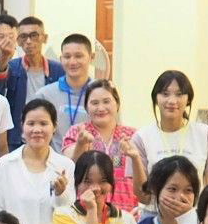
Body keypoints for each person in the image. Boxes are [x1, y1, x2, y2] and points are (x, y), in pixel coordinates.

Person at [0, 99, 74, 224]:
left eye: (43, 124)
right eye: (31, 124)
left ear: (54, 126)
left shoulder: (65, 166)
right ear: (22, 126)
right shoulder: (5, 164)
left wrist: (61, 194)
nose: (37, 129)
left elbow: (70, 216)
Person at [61, 81, 145, 214]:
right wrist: (80, 145)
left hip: (126, 212)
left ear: (117, 104)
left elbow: (143, 178)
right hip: (86, 210)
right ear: (86, 107)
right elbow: (69, 166)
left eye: (106, 102)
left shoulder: (133, 135)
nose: (101, 108)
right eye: (94, 103)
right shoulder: (77, 132)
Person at [134, 70, 208, 180]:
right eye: (165, 94)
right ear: (155, 99)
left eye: (179, 94)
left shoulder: (205, 135)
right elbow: (140, 188)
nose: (172, 101)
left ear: (188, 100)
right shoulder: (142, 137)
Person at [0, 16, 57, 136]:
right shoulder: (11, 67)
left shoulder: (58, 70)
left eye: (34, 35)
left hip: (49, 136)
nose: (29, 41)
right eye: (23, 36)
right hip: (18, 138)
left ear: (44, 38)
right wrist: (3, 58)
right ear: (18, 41)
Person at [39, 35, 97, 140]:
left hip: (92, 150)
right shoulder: (45, 95)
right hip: (57, 151)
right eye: (67, 57)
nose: (72, 62)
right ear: (61, 59)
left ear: (91, 57)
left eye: (78, 56)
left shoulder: (102, 93)